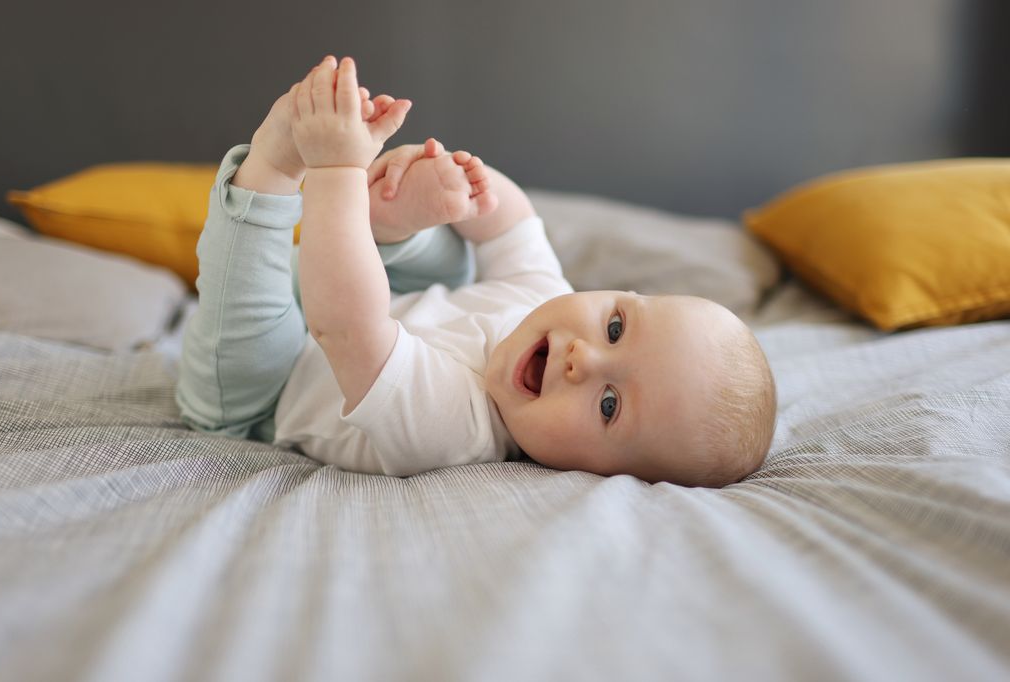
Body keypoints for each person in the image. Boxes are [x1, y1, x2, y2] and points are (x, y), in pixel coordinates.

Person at [177, 55, 776, 487]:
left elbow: (348, 327)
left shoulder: (455, 429)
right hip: (344, 301)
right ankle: (391, 224)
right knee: (458, 256)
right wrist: (472, 191)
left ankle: (273, 172)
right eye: (616, 328)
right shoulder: (548, 296)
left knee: (262, 316)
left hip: (263, 394)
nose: (584, 360)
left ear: (603, 476)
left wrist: (334, 172)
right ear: (620, 294)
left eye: (610, 405)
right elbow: (514, 225)